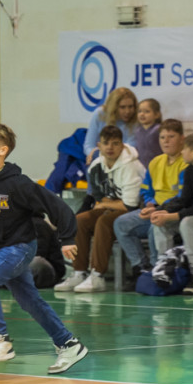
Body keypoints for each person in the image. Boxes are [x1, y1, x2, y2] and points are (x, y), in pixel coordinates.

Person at [0, 122, 88, 374]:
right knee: (29, 300)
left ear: (3, 151)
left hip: (19, 248)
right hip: (0, 249)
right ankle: (68, 343)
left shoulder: (19, 184)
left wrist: (68, 239)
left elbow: (58, 208)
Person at [54, 125, 145, 293]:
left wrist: (106, 204)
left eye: (115, 143)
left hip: (136, 212)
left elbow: (130, 205)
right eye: (106, 143)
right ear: (99, 145)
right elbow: (98, 197)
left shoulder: (131, 166)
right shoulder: (96, 165)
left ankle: (97, 276)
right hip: (113, 206)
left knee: (103, 221)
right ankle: (79, 273)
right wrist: (107, 204)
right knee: (80, 220)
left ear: (122, 146)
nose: (110, 147)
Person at [113, 118, 186, 288]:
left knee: (156, 225)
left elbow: (184, 197)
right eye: (162, 137)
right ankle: (141, 268)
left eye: (171, 137)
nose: (166, 141)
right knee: (121, 224)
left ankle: (157, 268)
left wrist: (159, 210)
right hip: (155, 209)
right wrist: (150, 205)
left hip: (174, 213)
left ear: (182, 138)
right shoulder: (155, 162)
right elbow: (146, 191)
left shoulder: (186, 163)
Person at [150, 133, 193, 295]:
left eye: (185, 148)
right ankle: (164, 268)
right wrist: (160, 211)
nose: (182, 152)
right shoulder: (190, 171)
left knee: (188, 222)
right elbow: (184, 199)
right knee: (160, 222)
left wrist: (172, 216)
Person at [83, 87, 138, 165]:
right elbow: (89, 145)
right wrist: (93, 154)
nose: (127, 111)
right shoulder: (100, 114)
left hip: (124, 160)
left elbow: (130, 148)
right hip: (101, 158)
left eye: (130, 107)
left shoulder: (136, 119)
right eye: (122, 107)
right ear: (114, 107)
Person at [133, 98, 163, 167]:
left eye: (147, 111)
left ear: (157, 115)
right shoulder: (138, 131)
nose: (142, 114)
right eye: (139, 111)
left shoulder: (159, 129)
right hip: (142, 168)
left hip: (158, 166)